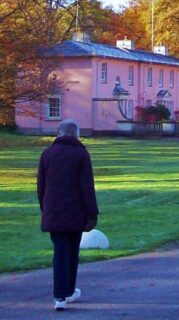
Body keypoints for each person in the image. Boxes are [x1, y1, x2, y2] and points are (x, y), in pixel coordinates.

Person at [37, 119, 99, 311]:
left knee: (59, 252)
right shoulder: (81, 154)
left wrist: (45, 207)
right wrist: (92, 213)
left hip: (53, 211)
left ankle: (60, 296)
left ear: (59, 133)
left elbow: (41, 186)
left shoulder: (47, 154)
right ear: (76, 134)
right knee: (72, 252)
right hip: (76, 211)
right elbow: (87, 187)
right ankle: (69, 290)